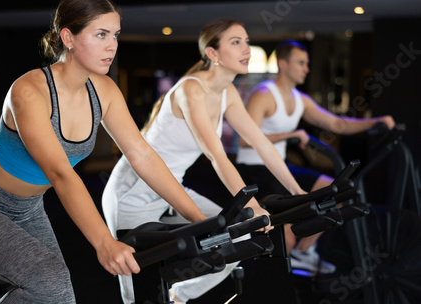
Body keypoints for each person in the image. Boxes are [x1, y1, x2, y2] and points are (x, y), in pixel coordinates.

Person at [0, 0, 208, 304]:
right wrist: (104, 243)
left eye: (115, 35)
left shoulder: (104, 91)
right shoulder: (29, 91)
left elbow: (142, 154)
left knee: (60, 295)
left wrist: (198, 218)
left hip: (27, 209)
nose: (112, 45)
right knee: (48, 284)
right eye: (101, 34)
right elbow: (61, 174)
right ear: (68, 37)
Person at [102, 19, 308, 304]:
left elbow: (261, 143)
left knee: (237, 235)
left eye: (247, 41)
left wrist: (297, 192)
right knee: (134, 292)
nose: (246, 48)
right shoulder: (191, 90)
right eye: (235, 42)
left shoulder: (228, 92)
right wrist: (252, 206)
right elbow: (216, 156)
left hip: (172, 191)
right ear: (212, 54)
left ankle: (178, 297)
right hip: (132, 192)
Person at [236, 40, 395, 275]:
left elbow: (337, 124)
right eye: (301, 63)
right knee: (286, 228)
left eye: (307, 64)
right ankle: (282, 262)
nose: (306, 69)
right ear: (283, 63)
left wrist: (375, 121)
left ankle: (303, 250)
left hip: (280, 166)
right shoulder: (263, 95)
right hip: (255, 169)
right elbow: (245, 139)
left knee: (337, 191)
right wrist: (290, 134)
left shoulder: (300, 99)